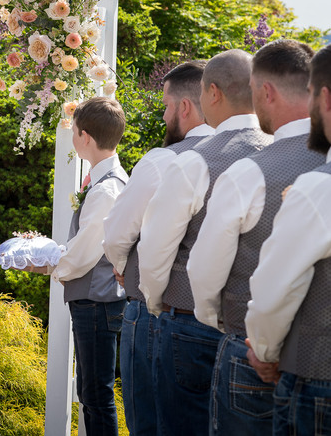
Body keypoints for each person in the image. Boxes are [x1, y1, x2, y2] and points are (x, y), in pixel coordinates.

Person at [186, 40, 319, 435]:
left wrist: (221, 321)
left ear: (267, 92)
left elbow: (205, 270)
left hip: (251, 351)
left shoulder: (249, 172)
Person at [138, 49, 271, 434]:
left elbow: (156, 246)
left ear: (212, 93)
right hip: (263, 334)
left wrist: (154, 298)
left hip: (191, 324)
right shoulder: (282, 153)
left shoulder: (195, 160)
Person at [101, 61, 213, 436]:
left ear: (184, 107)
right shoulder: (249, 156)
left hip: (160, 314)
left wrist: (122, 267)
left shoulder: (164, 159)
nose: (165, 116)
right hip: (230, 324)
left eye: (166, 106)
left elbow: (117, 233)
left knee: (151, 425)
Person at [245, 43, 331, 435]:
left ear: (325, 98)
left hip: (318, 380)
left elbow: (274, 290)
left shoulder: (318, 190)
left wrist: (264, 352)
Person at [31, 96, 128, 435]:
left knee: (96, 394)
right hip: (95, 299)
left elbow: (87, 251)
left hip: (97, 301)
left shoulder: (106, 189)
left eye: (74, 131)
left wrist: (46, 266)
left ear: (85, 136)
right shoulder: (104, 180)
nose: (73, 136)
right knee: (92, 391)